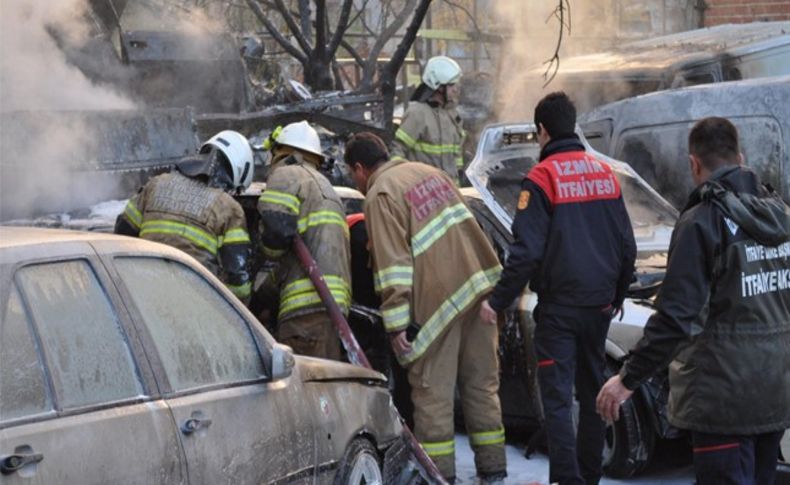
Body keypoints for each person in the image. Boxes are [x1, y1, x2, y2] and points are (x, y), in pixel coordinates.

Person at [597, 117, 790, 485]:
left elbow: (676, 316)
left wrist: (627, 379)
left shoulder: (703, 221)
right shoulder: (780, 217)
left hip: (721, 402)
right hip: (774, 396)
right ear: (741, 156)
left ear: (694, 164)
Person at [479, 92, 636, 485]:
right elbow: (627, 245)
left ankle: (566, 481)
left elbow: (526, 252)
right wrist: (616, 295)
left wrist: (498, 301)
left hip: (560, 312)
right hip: (599, 308)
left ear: (542, 131)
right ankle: (589, 477)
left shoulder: (541, 178)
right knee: (593, 395)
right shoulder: (604, 174)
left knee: (558, 402)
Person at [345, 132, 506, 483]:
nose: (355, 184)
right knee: (482, 390)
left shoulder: (381, 193)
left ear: (359, 168)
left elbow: (394, 266)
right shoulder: (431, 173)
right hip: (481, 292)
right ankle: (494, 474)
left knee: (433, 400)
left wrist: (398, 325)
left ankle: (440, 477)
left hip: (439, 307)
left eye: (352, 176)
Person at [116, 130, 253, 302]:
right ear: (239, 170)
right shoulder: (229, 207)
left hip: (144, 290)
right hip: (193, 301)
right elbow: (237, 280)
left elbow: (123, 231)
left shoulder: (156, 184)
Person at [257, 121, 351, 360]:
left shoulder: (287, 174)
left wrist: (264, 255)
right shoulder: (325, 187)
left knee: (302, 389)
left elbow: (275, 234)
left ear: (282, 151)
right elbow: (298, 254)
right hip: (333, 306)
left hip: (304, 309)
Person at [391, 55, 466, 183]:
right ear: (439, 87)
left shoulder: (452, 114)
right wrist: (403, 182)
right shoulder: (417, 113)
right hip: (424, 191)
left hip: (450, 191)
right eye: (452, 85)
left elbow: (456, 153)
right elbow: (397, 150)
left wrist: (460, 174)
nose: (456, 89)